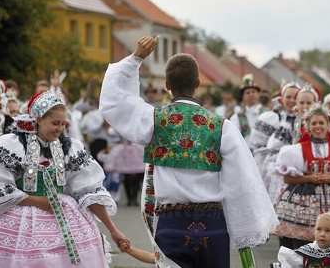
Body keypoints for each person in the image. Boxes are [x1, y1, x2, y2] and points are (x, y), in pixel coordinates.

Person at [99, 36, 279, 268]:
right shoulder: (222, 126)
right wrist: (243, 229)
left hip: (171, 224)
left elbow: (114, 102)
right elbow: (241, 182)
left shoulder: (152, 120)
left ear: (167, 85)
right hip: (212, 224)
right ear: (197, 84)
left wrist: (135, 59)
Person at [0, 91, 128, 267]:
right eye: (54, 123)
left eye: (62, 124)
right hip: (20, 221)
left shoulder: (69, 149)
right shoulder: (12, 146)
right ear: (38, 120)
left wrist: (113, 230)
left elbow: (88, 190)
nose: (59, 128)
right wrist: (37, 201)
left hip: (64, 216)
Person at [272, 106, 330, 249]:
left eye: (321, 123)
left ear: (328, 125)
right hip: (304, 201)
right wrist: (309, 178)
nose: (317, 126)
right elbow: (287, 179)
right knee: (300, 245)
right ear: (308, 126)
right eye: (314, 123)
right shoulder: (297, 149)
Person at [229, 74, 263, 145]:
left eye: (253, 92)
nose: (251, 94)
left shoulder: (267, 113)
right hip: (246, 152)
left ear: (259, 94)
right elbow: (234, 137)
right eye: (248, 93)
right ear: (243, 97)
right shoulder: (237, 117)